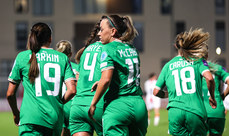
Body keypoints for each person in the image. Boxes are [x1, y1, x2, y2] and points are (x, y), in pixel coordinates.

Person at [6, 22, 76, 136]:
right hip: (54, 120)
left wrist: (15, 113)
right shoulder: (62, 58)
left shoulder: (22, 57)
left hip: (30, 119)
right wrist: (58, 102)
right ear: (50, 38)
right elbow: (72, 90)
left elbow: (10, 94)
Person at [88, 14, 148, 136]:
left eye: (102, 29)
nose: (99, 34)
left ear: (113, 31)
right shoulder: (132, 49)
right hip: (139, 106)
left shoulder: (107, 49)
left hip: (118, 106)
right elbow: (125, 74)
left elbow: (106, 80)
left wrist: (93, 103)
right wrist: (101, 81)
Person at [153, 28, 216, 136]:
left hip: (175, 112)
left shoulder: (168, 66)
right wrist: (212, 97)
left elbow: (156, 91)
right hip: (195, 111)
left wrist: (169, 94)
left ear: (175, 46)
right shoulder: (197, 60)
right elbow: (209, 78)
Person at [69, 23, 104, 136]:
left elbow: (78, 78)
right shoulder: (110, 48)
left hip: (78, 106)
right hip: (99, 105)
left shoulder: (86, 49)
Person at [56, 40, 78, 136]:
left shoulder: (55, 67)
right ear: (71, 54)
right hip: (73, 106)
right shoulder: (78, 68)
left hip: (59, 104)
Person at [202, 61, 229, 136]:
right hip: (216, 109)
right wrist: (223, 96)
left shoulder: (194, 67)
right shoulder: (217, 68)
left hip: (199, 110)